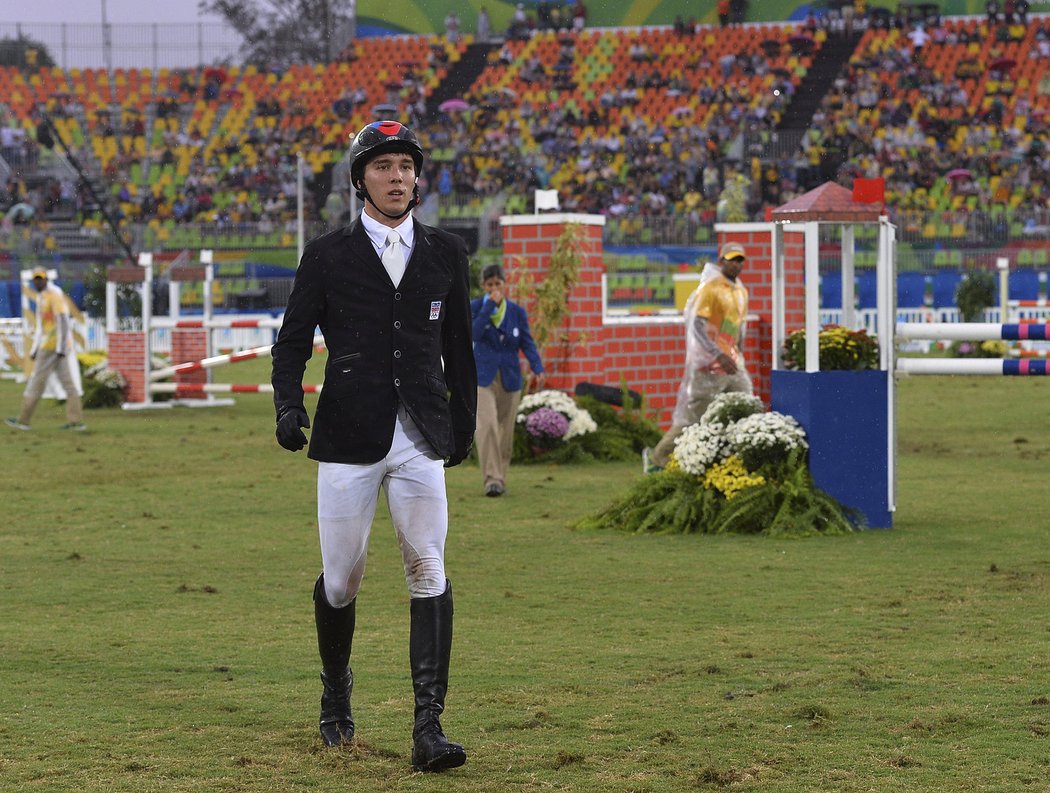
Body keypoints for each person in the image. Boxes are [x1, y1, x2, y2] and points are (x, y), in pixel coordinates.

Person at [270, 120, 476, 773]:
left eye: (406, 167)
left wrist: (463, 422)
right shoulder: (326, 254)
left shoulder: (447, 253)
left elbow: (459, 353)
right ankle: (336, 693)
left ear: (418, 178)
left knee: (428, 566)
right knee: (343, 578)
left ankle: (429, 726)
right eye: (384, 166)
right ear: (361, 178)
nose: (397, 177)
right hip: (348, 434)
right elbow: (293, 340)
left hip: (419, 433)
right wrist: (286, 404)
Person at [646, 242, 752, 471]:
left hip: (733, 364)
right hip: (708, 366)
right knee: (693, 417)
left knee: (746, 406)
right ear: (721, 260)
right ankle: (658, 459)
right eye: (732, 259)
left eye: (740, 260)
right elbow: (697, 325)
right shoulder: (711, 288)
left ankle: (737, 460)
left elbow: (737, 328)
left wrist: (736, 354)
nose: (736, 264)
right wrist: (718, 355)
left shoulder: (741, 291)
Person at [470, 263, 545, 497]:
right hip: (483, 378)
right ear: (483, 286)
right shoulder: (474, 308)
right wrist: (488, 307)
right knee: (487, 425)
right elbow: (473, 333)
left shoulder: (516, 312)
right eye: (489, 285)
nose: (494, 288)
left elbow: (527, 342)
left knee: (506, 432)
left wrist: (537, 367)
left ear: (504, 284)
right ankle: (491, 479)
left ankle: (500, 478)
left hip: (510, 378)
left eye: (498, 284)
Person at [5, 268, 85, 432]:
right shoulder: (42, 297)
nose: (38, 282)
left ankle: (23, 420)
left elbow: (62, 321)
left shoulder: (54, 295)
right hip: (55, 347)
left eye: (40, 279)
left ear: (46, 279)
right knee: (69, 384)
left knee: (36, 383)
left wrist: (60, 347)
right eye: (36, 279)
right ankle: (76, 422)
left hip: (52, 347)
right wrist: (35, 348)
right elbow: (41, 326)